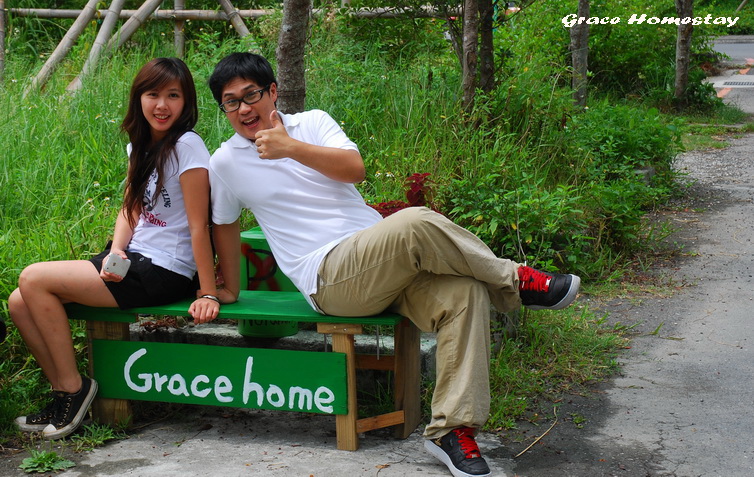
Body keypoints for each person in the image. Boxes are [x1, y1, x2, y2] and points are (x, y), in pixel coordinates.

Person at [207, 52, 580, 477]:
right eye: (230, 102)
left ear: (273, 92)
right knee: (414, 221)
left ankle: (449, 431)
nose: (243, 109)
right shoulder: (225, 162)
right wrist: (225, 289)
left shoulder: (312, 123)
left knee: (466, 293)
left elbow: (355, 169)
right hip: (329, 279)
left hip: (380, 261)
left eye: (251, 95)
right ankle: (516, 280)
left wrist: (290, 147)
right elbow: (225, 226)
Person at [8, 57, 219, 440]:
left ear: (186, 102)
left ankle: (76, 390)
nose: (162, 105)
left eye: (173, 95)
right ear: (138, 98)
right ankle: (62, 395)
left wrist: (207, 291)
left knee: (32, 277)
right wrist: (115, 252)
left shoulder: (188, 145)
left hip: (166, 270)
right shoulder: (140, 145)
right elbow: (130, 209)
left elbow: (196, 224)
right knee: (19, 300)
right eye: (153, 94)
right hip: (135, 261)